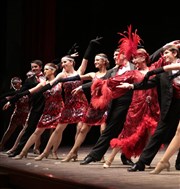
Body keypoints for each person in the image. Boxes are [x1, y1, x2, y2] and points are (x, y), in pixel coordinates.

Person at [79, 26, 173, 166]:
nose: (116, 56)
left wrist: (166, 46)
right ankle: (95, 155)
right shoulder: (113, 71)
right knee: (112, 129)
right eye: (115, 55)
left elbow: (151, 59)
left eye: (119, 54)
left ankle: (128, 157)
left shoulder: (136, 66)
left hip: (139, 100)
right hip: (121, 101)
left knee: (136, 131)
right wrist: (82, 86)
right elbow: (104, 80)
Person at [118, 44, 180, 172]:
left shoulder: (171, 66)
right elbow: (150, 82)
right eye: (163, 54)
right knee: (159, 133)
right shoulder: (163, 72)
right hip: (171, 104)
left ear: (175, 53)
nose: (164, 56)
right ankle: (142, 162)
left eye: (167, 53)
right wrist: (132, 87)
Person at [102, 48, 160, 168]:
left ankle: (144, 161)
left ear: (143, 57)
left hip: (152, 106)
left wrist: (168, 45)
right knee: (127, 133)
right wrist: (101, 83)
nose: (133, 60)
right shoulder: (133, 73)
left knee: (151, 134)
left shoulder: (153, 69)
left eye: (135, 57)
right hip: (136, 107)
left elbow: (163, 58)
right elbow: (115, 80)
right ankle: (110, 159)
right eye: (133, 58)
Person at [61, 53, 110, 162]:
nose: (95, 62)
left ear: (104, 61)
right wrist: (60, 79)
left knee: (103, 130)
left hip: (105, 104)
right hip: (93, 104)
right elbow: (77, 77)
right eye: (94, 60)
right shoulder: (93, 74)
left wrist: (82, 86)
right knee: (83, 129)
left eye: (97, 60)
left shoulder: (111, 73)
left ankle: (100, 154)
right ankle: (72, 153)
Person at [12, 63, 64, 160]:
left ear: (53, 71)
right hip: (48, 110)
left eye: (46, 69)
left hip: (59, 108)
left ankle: (54, 152)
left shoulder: (59, 80)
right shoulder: (43, 83)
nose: (44, 71)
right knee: (37, 131)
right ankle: (22, 153)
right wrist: (14, 98)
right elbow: (30, 91)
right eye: (44, 69)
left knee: (58, 131)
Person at [5, 59, 46, 157]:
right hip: (36, 106)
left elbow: (56, 65)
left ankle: (44, 151)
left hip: (49, 104)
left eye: (35, 66)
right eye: (32, 67)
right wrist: (11, 101)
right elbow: (20, 93)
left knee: (49, 128)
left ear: (40, 67)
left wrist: (70, 55)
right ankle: (18, 150)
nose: (34, 68)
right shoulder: (29, 80)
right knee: (29, 129)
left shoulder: (47, 76)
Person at [0, 77, 30, 152]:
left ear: (20, 82)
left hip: (26, 113)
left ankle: (23, 148)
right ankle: (1, 145)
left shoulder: (25, 90)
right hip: (17, 113)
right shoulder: (13, 93)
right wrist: (8, 102)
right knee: (9, 130)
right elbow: (9, 97)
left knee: (26, 131)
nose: (15, 85)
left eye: (16, 83)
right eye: (13, 84)